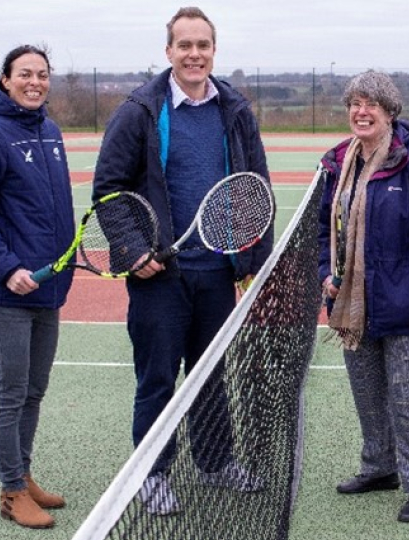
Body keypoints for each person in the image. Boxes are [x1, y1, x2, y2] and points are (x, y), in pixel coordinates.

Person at [92, 6, 273, 515]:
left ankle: (214, 463)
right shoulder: (140, 110)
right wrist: (131, 251)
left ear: (214, 51)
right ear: (168, 51)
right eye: (185, 45)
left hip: (217, 274)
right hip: (160, 279)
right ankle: (152, 474)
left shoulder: (234, 110)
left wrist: (251, 259)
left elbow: (256, 189)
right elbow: (110, 190)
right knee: (158, 381)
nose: (195, 54)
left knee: (210, 376)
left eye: (203, 46)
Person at [318, 70, 409, 523]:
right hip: (354, 304)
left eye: (371, 103)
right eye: (355, 103)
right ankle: (379, 468)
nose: (361, 111)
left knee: (408, 397)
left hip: (406, 303)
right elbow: (323, 229)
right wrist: (326, 273)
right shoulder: (338, 161)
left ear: (389, 111)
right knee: (368, 394)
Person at [0, 45, 74, 529]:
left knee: (34, 390)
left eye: (42, 74)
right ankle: (10, 490)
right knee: (10, 391)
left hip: (47, 288)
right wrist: (7, 269)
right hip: (6, 291)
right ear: (4, 79)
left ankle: (23, 476)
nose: (35, 82)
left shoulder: (50, 130)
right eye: (25, 74)